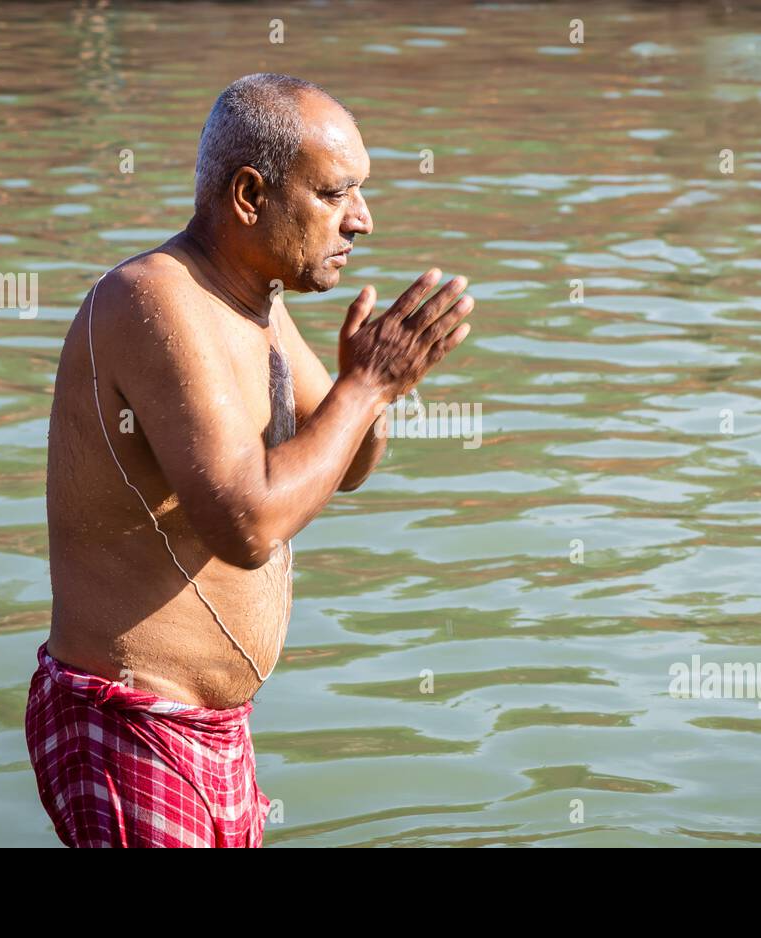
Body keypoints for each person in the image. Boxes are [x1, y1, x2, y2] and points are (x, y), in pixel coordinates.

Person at [24, 73, 474, 847]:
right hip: (130, 726)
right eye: (336, 194)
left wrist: (368, 389)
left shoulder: (257, 303)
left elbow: (347, 463)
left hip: (215, 729)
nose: (361, 221)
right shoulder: (155, 300)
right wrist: (364, 387)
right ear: (248, 195)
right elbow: (247, 520)